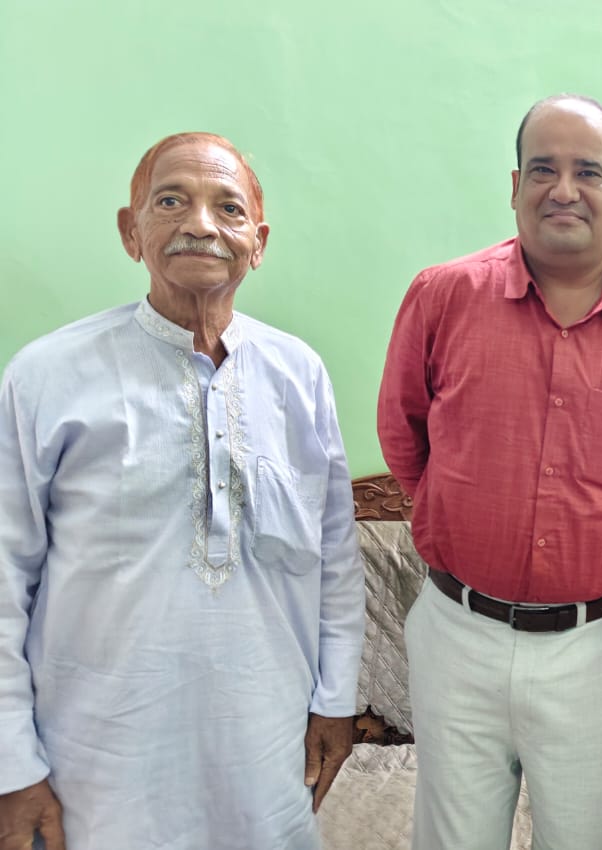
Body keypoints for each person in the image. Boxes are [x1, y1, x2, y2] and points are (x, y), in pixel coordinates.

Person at [0, 133, 364, 849]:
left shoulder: (299, 374)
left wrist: (336, 701)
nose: (200, 223)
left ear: (258, 243)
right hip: (96, 769)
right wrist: (12, 762)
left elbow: (336, 558)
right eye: (170, 201)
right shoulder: (46, 376)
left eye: (228, 208)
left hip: (267, 757)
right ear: (130, 231)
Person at [377, 94, 602, 850]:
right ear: (515, 186)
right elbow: (403, 430)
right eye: (542, 170)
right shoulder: (443, 296)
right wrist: (457, 514)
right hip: (457, 631)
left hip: (598, 646)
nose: (564, 190)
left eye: (588, 172)